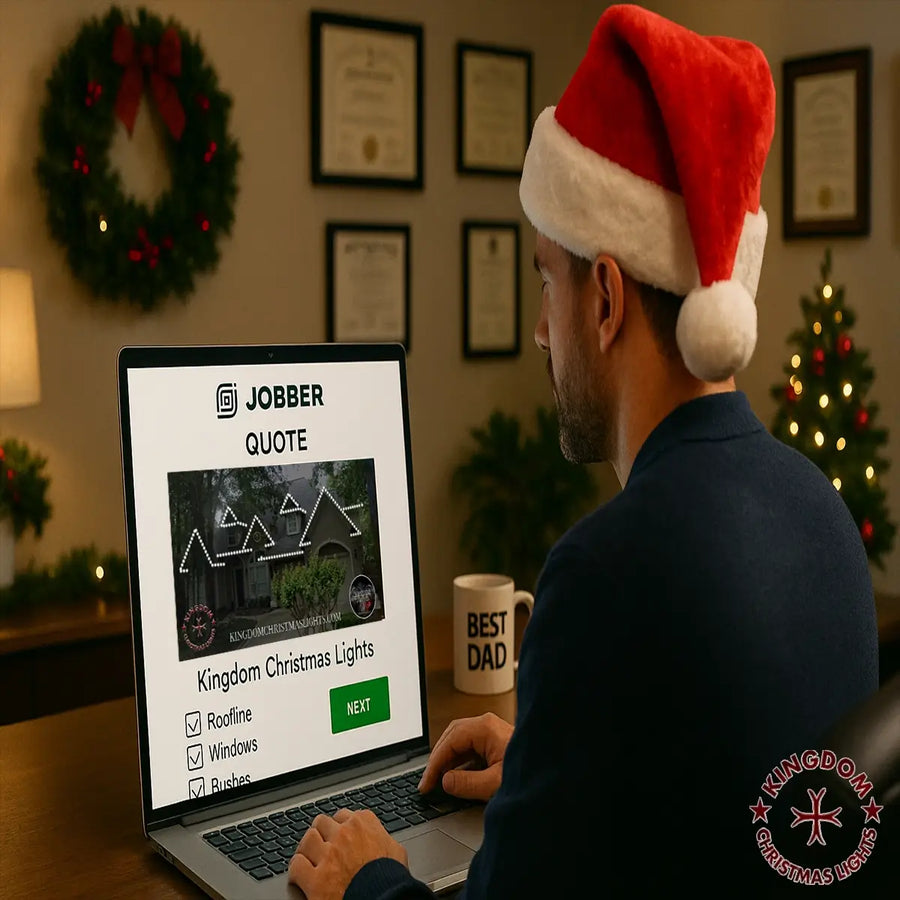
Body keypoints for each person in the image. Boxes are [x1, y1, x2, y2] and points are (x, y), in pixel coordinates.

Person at [288, 5, 879, 897]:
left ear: (603, 297)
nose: (538, 332)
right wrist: (550, 764)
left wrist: (367, 876)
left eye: (544, 281)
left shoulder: (604, 574)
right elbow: (709, 787)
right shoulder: (820, 510)